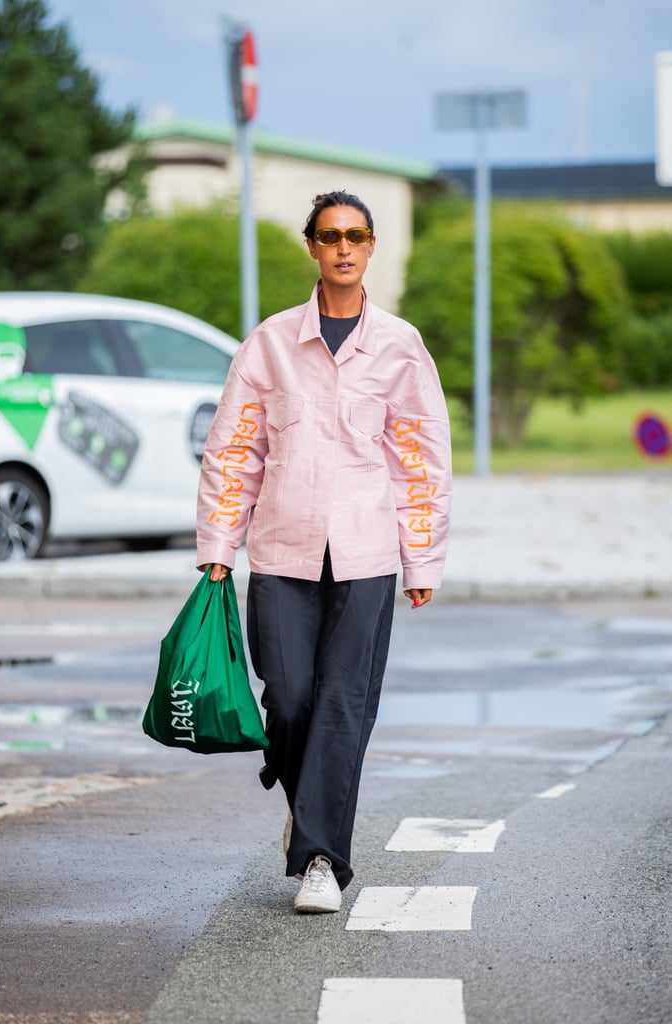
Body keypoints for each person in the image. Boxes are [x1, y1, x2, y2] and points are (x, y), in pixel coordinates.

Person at [195, 190, 452, 914]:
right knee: (292, 695)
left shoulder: (399, 346)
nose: (343, 247)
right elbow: (234, 450)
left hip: (367, 556)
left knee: (344, 703)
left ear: (371, 247)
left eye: (356, 236)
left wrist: (421, 558)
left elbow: (421, 459)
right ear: (311, 246)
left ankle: (318, 857)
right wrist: (218, 545)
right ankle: (306, 798)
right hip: (280, 554)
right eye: (329, 236)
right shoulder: (270, 343)